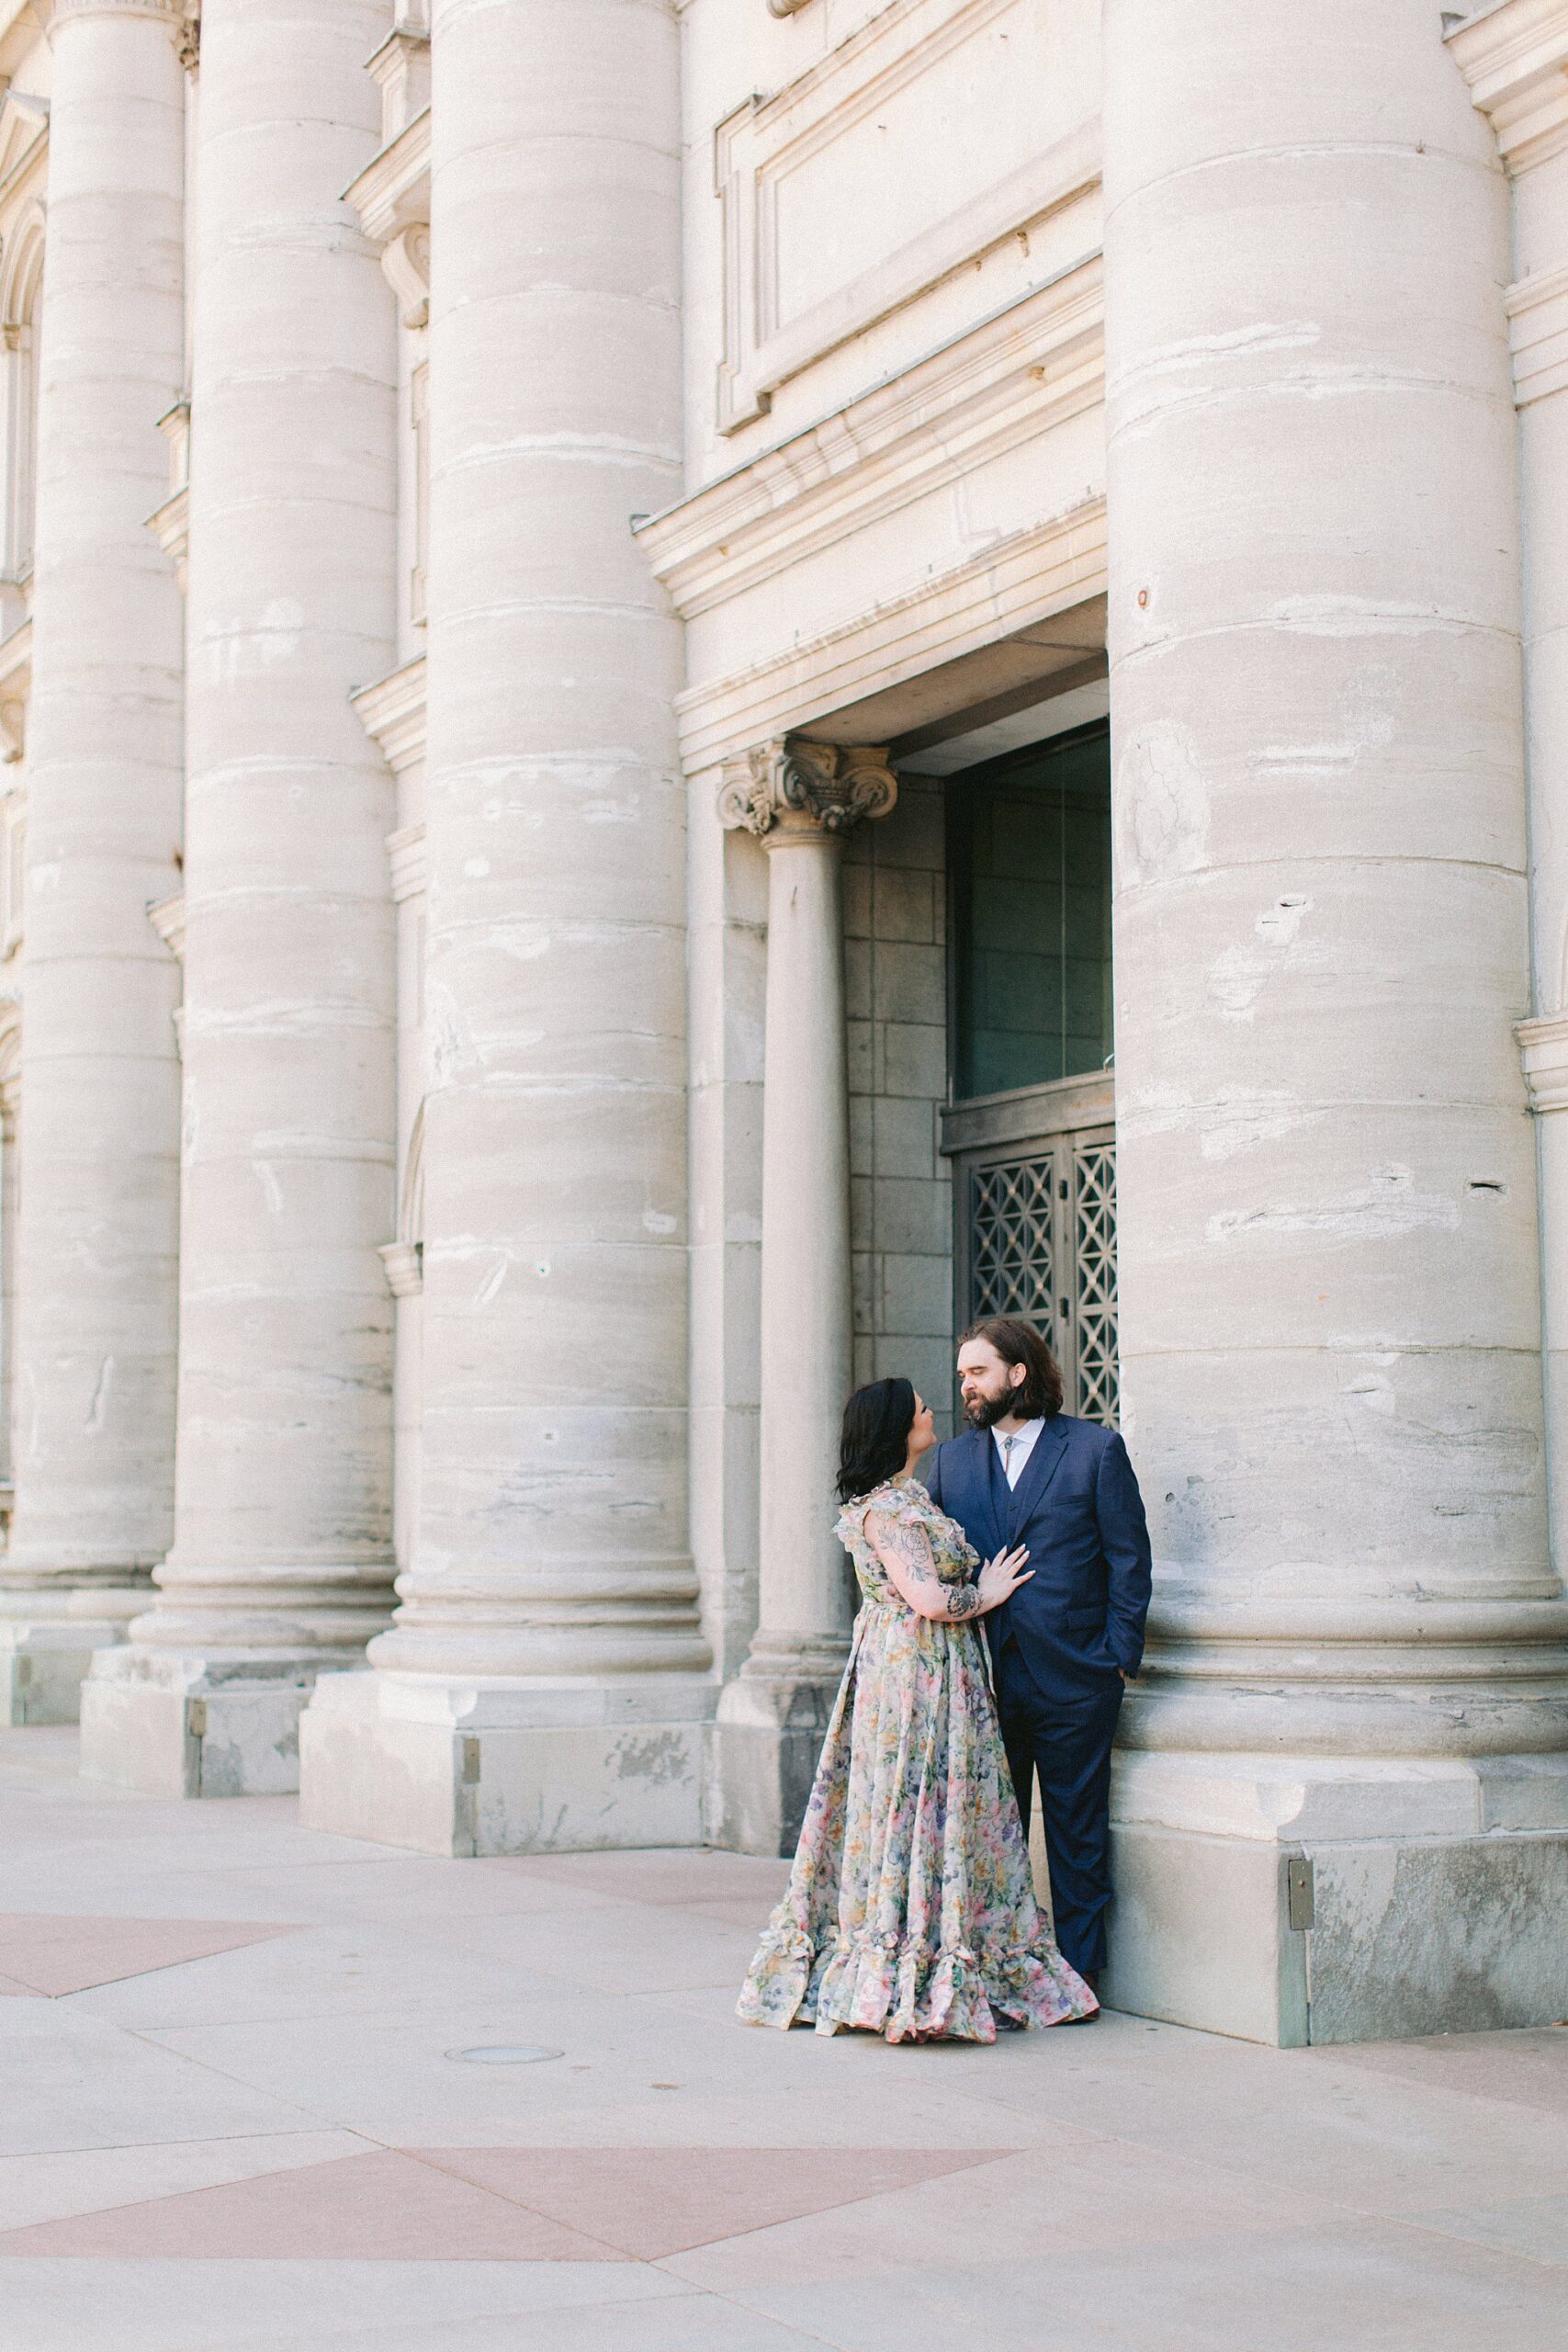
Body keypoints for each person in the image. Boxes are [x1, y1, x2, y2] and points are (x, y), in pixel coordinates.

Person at [737, 1375, 1098, 2042]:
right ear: (898, 1430)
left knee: (935, 1810)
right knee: (916, 1804)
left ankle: (949, 1956)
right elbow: (930, 1600)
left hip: (933, 1671)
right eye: (920, 1409)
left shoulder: (908, 1497)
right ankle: (907, 1969)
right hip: (915, 1676)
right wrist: (986, 1592)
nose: (932, 1411)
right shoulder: (888, 1511)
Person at [924, 1317, 1152, 2003]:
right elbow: (934, 1568)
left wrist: (1117, 1656)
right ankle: (998, 1977)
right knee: (993, 1839)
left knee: (1077, 1838)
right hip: (984, 1679)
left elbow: (1128, 1558)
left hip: (1076, 1679)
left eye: (977, 1372)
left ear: (1017, 1374)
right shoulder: (950, 1464)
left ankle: (1078, 1981)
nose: (965, 1385)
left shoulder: (1093, 1450)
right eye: (962, 1373)